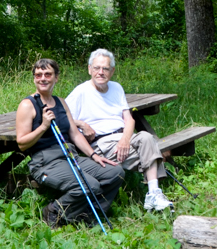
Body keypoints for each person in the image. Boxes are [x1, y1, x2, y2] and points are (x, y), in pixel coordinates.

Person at [16, 58, 124, 228]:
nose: (43, 78)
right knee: (89, 185)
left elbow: (74, 134)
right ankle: (54, 211)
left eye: (48, 74)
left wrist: (94, 155)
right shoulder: (28, 105)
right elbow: (22, 143)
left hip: (70, 155)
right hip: (45, 162)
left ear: (56, 78)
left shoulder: (60, 102)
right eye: (38, 75)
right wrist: (43, 126)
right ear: (34, 78)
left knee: (115, 172)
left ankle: (87, 214)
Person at [66, 49, 173, 212]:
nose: (100, 72)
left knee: (146, 137)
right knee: (152, 152)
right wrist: (81, 124)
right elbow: (61, 116)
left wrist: (124, 140)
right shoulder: (81, 91)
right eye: (96, 68)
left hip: (122, 137)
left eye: (105, 69)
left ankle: (153, 194)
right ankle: (154, 193)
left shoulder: (116, 88)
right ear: (89, 69)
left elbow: (129, 119)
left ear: (112, 71)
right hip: (101, 142)